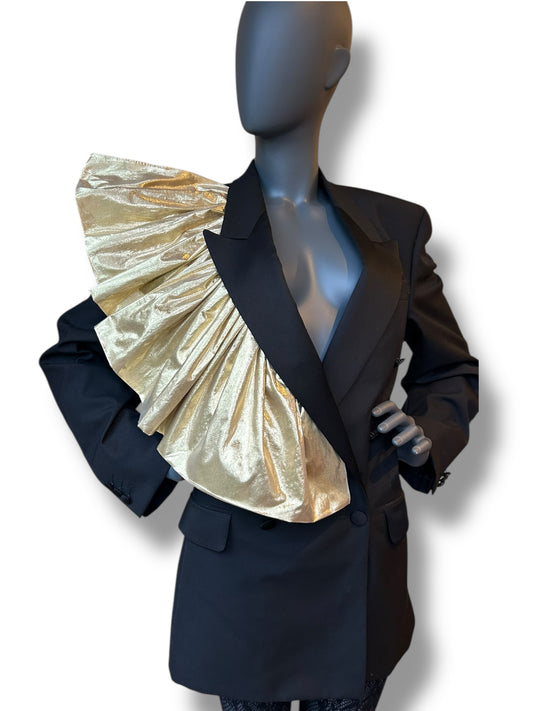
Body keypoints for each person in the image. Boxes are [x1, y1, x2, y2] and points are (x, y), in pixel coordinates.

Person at [39, 3, 479, 710]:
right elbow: (77, 351)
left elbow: (450, 367)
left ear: (334, 66)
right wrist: (169, 455)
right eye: (246, 43)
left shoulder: (394, 229)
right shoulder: (192, 232)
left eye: (281, 44)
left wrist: (429, 431)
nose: (252, 65)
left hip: (359, 573)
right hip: (244, 572)